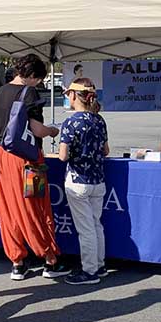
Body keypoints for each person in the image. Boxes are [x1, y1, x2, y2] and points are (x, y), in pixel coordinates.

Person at [0, 54, 70, 280]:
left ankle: (17, 262)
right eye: (39, 79)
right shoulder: (29, 93)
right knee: (36, 207)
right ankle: (50, 259)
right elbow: (36, 129)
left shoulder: (1, 91)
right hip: (26, 158)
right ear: (32, 76)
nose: (39, 84)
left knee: (9, 209)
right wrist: (53, 131)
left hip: (0, 153)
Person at [59, 78, 110, 285]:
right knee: (96, 225)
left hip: (77, 180)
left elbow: (63, 156)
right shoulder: (99, 120)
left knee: (85, 229)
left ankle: (89, 272)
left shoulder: (71, 122)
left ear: (73, 95)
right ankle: (99, 264)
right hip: (98, 180)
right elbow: (106, 150)